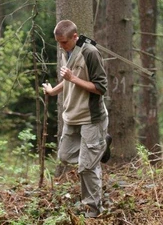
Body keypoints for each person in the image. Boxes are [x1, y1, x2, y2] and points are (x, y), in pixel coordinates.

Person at [42, 19, 112, 218]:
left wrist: (73, 78)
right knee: (64, 156)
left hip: (92, 118)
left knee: (86, 167)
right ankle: (101, 148)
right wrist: (53, 91)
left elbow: (100, 88)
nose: (61, 46)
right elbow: (68, 80)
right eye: (58, 42)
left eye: (64, 42)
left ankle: (93, 210)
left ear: (75, 36)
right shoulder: (66, 51)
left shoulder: (90, 53)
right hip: (72, 116)